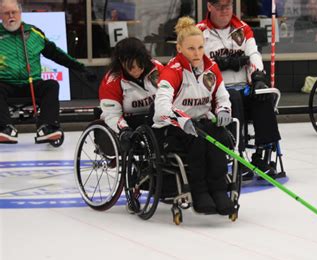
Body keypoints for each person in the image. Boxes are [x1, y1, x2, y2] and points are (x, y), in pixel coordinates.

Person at [152, 17, 234, 216]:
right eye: (191, 49)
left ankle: (219, 190)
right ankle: (200, 192)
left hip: (202, 123)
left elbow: (222, 95)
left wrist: (223, 109)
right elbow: (161, 108)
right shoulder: (173, 71)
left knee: (218, 138)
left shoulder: (211, 68)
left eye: (200, 47)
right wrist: (181, 119)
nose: (197, 53)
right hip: (174, 127)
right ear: (179, 48)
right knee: (197, 141)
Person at [197, 0, 281, 177]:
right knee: (233, 98)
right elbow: (198, 64)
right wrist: (222, 64)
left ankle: (262, 155)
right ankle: (238, 156)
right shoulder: (200, 31)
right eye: (220, 7)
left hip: (243, 87)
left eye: (228, 7)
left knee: (263, 97)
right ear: (209, 7)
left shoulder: (242, 28)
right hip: (217, 93)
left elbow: (253, 53)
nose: (225, 11)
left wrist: (258, 76)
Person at [0, 0, 94, 144]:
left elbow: (56, 54)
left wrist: (81, 68)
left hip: (32, 84)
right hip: (5, 84)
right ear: (1, 16)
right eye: (7, 13)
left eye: (14, 12)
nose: (11, 16)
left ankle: (48, 127)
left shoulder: (34, 33)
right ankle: (5, 128)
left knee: (51, 85)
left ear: (20, 13)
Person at [99, 37, 164, 151]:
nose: (137, 70)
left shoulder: (157, 68)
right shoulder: (112, 82)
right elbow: (112, 115)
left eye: (140, 65)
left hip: (156, 118)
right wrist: (124, 129)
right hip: (130, 122)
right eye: (131, 67)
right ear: (121, 62)